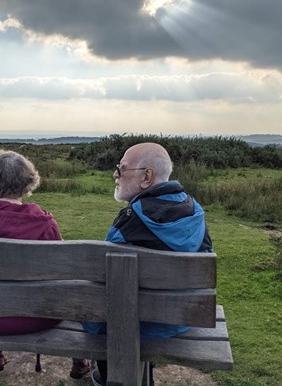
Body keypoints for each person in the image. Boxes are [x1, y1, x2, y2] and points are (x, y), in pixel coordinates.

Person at [0, 149, 90, 379]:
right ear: (27, 183)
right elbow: (63, 274)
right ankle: (79, 361)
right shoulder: (43, 223)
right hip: (37, 317)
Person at [83, 142, 213, 386]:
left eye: (121, 169)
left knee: (106, 316)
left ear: (147, 176)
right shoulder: (195, 211)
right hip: (181, 319)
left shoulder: (130, 223)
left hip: (133, 327)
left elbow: (103, 286)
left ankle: (108, 378)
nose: (115, 175)